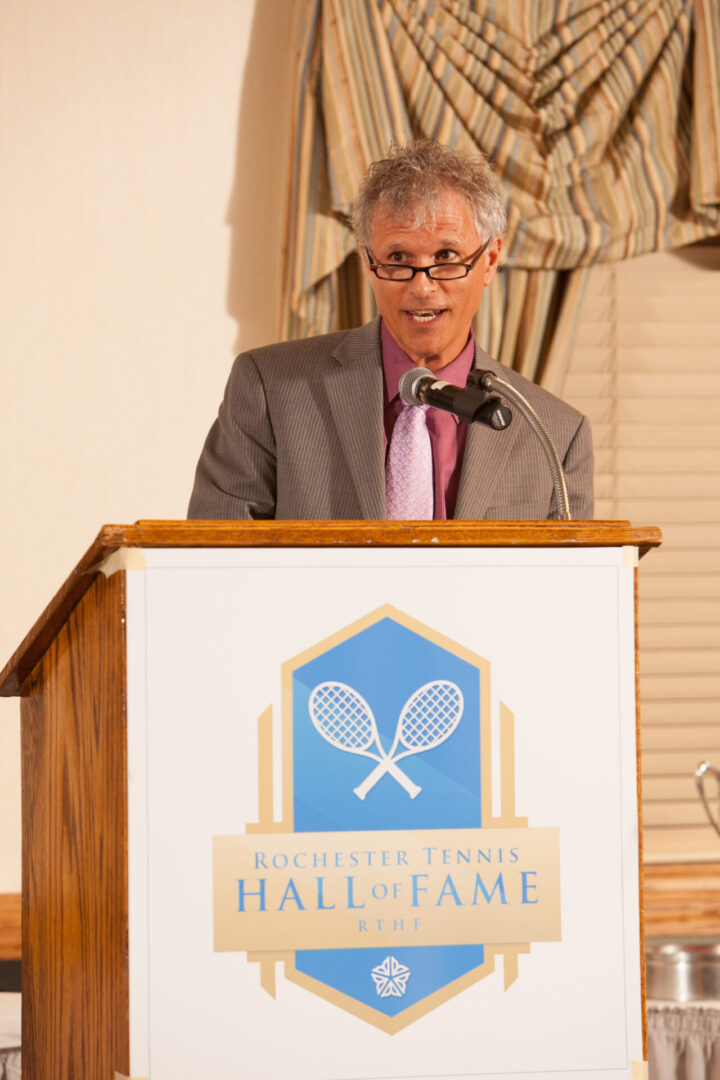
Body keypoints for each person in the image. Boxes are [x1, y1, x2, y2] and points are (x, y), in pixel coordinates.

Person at [188, 140, 593, 521]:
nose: (422, 286)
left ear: (489, 260)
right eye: (397, 258)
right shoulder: (270, 388)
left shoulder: (556, 435)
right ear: (367, 261)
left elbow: (571, 591)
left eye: (446, 256)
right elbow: (211, 566)